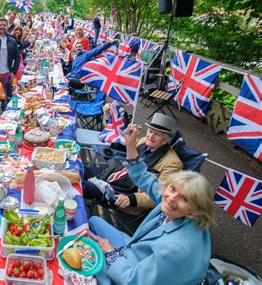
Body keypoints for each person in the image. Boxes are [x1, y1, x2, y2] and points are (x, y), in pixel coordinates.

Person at [89, 122, 215, 284]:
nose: (171, 198)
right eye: (172, 188)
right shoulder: (173, 204)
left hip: (129, 273)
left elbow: (133, 281)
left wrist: (110, 252)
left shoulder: (176, 249)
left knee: (82, 260)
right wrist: (129, 144)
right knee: (93, 222)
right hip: (134, 251)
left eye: (184, 199)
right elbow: (145, 178)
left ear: (197, 210)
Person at [84, 113, 183, 216]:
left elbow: (160, 195)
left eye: (157, 134)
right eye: (150, 131)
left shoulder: (172, 163)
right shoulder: (145, 141)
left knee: (85, 187)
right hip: (112, 176)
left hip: (123, 195)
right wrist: (108, 116)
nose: (150, 136)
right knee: (81, 168)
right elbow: (126, 144)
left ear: (166, 140)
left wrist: (131, 199)